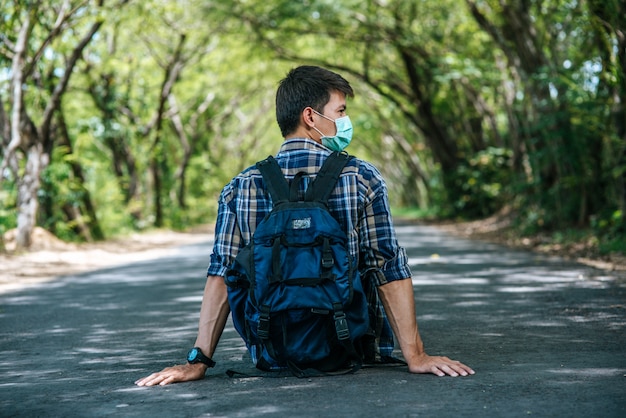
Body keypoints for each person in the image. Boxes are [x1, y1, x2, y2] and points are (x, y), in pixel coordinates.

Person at [135, 65, 474, 387]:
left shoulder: (241, 186)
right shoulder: (361, 177)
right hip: (353, 353)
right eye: (340, 112)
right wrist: (416, 356)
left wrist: (198, 360)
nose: (346, 121)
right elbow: (386, 267)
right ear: (311, 116)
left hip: (272, 354)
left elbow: (222, 273)